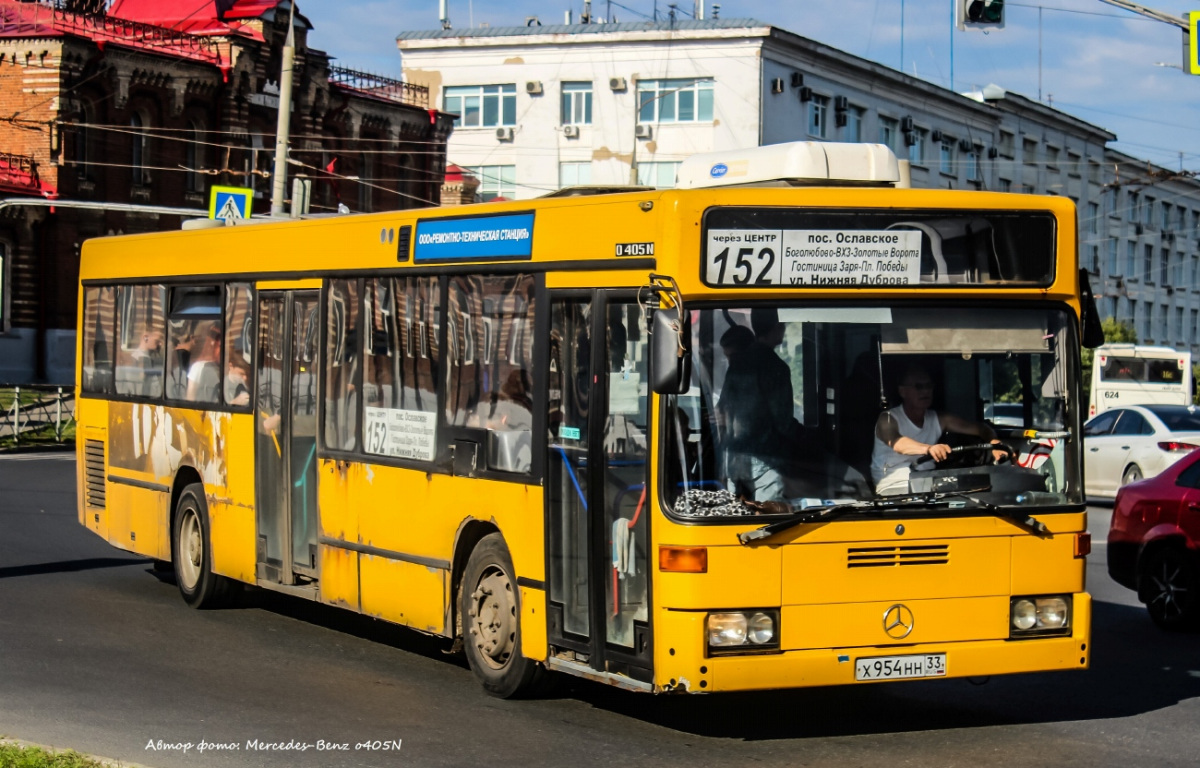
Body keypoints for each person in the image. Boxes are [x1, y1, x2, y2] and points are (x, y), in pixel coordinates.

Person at [871, 364, 999, 495]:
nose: (925, 391)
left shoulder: (938, 418)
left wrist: (995, 444)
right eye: (919, 386)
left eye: (929, 386)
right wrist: (929, 449)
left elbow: (981, 429)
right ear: (902, 391)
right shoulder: (887, 419)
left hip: (929, 484)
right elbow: (897, 443)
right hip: (893, 486)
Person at [718, 309, 798, 501]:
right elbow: (783, 421)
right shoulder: (776, 367)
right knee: (767, 519)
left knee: (738, 517)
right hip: (767, 459)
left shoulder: (737, 364)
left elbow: (722, 411)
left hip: (735, 458)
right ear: (778, 328)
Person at [185, 324, 222, 403]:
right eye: (218, 346)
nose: (220, 351)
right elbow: (190, 397)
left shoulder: (231, 368)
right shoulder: (198, 367)